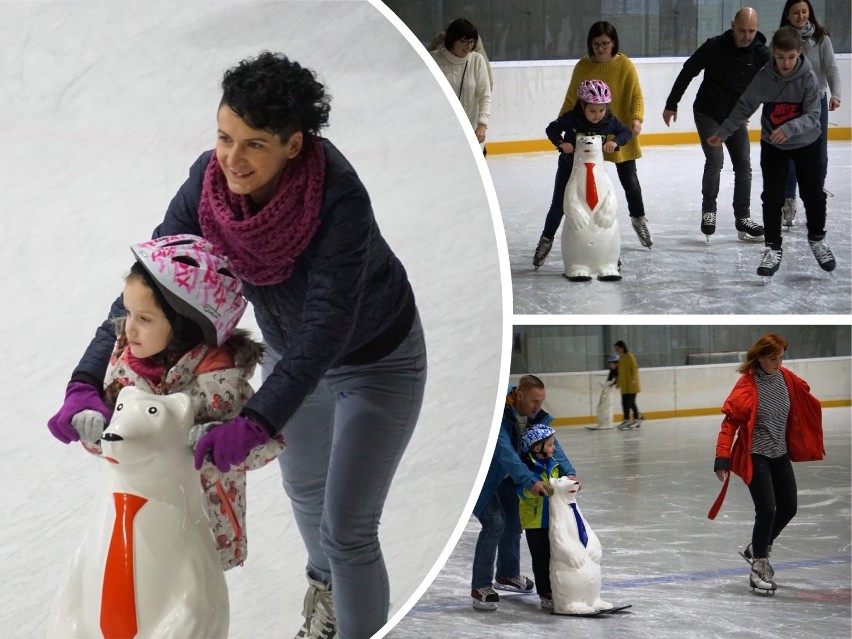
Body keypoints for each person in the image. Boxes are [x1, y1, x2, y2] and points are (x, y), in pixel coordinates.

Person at [46, 51, 427, 639]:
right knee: (304, 490)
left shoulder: (337, 201)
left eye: (254, 144)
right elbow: (146, 286)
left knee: (347, 526)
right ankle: (326, 597)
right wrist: (83, 381)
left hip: (376, 360)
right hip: (291, 360)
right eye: (225, 136)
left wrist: (254, 420)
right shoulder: (206, 187)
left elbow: (326, 325)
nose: (232, 157)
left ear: (293, 145)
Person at [47, 235, 286, 570]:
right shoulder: (123, 363)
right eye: (128, 313)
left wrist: (226, 438)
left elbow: (269, 445)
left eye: (145, 319)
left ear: (186, 323)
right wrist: (94, 430)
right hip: (137, 516)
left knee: (191, 611)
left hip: (200, 527)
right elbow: (118, 444)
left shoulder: (216, 380)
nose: (128, 328)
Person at [707, 26, 835, 280]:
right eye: (780, 57)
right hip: (774, 145)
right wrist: (724, 131)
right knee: (772, 197)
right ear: (773, 53)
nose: (785, 63)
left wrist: (789, 128)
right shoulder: (765, 76)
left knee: (813, 195)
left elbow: (813, 116)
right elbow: (744, 105)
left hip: (806, 143)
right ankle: (773, 248)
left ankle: (817, 240)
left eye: (791, 57)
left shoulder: (808, 77)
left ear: (799, 53)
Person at [709, 333, 823, 593]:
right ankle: (758, 567)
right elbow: (730, 425)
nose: (778, 363)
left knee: (789, 507)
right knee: (767, 510)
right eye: (772, 358)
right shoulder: (747, 386)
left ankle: (756, 547)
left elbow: (804, 403)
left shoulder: (787, 379)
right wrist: (722, 457)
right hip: (756, 455)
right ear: (758, 357)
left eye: (782, 357)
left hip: (779, 454)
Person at [534, 20, 652, 268]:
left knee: (629, 183)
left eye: (605, 44)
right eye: (596, 44)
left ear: (614, 43)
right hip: (584, 138)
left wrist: (636, 120)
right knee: (566, 196)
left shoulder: (624, 65)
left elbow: (636, 95)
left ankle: (638, 220)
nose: (601, 49)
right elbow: (570, 100)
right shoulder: (583, 66)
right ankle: (547, 239)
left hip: (615, 131)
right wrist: (563, 131)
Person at [470, 375, 577, 611]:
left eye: (541, 401)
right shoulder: (497, 414)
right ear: (519, 395)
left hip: (507, 478)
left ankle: (507, 574)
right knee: (494, 523)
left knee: (514, 523)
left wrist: (569, 473)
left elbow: (551, 445)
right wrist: (529, 481)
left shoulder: (533, 417)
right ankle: (480, 586)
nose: (538, 407)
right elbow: (505, 452)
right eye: (534, 401)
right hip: (480, 478)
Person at [662, 7, 768, 242]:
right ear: (732, 26)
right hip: (707, 112)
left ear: (757, 29)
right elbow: (687, 71)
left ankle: (743, 217)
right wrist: (672, 103)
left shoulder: (762, 54)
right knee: (716, 159)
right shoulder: (714, 46)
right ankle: (709, 210)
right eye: (742, 30)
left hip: (735, 118)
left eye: (751, 31)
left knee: (743, 165)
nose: (746, 36)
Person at [533, 79, 633, 268]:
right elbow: (551, 129)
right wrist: (561, 143)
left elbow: (626, 132)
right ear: (582, 105)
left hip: (595, 173)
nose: (597, 116)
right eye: (592, 111)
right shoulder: (571, 118)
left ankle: (608, 250)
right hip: (569, 169)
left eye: (601, 110)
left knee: (602, 208)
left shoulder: (609, 121)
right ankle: (546, 240)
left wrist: (616, 142)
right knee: (559, 206)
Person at [779, 0, 842, 227]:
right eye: (796, 12)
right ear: (788, 15)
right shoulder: (782, 39)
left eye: (804, 11)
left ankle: (815, 197)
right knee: (792, 154)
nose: (801, 16)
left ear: (809, 13)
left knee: (819, 154)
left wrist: (836, 95)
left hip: (817, 101)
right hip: (790, 102)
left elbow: (832, 68)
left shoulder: (821, 38)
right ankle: (788, 200)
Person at [516, 424, 563, 610]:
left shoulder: (553, 464)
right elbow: (521, 491)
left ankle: (558, 587)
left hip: (553, 519)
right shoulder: (528, 468)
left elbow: (558, 483)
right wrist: (537, 491)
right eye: (550, 445)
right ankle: (545, 592)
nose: (554, 448)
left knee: (555, 555)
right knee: (541, 558)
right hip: (535, 522)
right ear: (537, 448)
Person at [430, 18, 492, 154]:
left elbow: (485, 95)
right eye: (463, 42)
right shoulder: (433, 59)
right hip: (441, 134)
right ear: (452, 40)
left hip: (470, 133)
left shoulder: (477, 60)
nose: (468, 46)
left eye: (471, 42)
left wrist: (482, 125)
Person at [614, 340, 642, 428]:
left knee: (631, 403)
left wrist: (633, 379)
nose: (616, 351)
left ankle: (637, 419)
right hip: (624, 386)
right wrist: (618, 382)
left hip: (631, 385)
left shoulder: (630, 356)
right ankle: (626, 419)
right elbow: (620, 372)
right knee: (624, 403)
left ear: (622, 348)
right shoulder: (621, 358)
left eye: (617, 349)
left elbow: (635, 368)